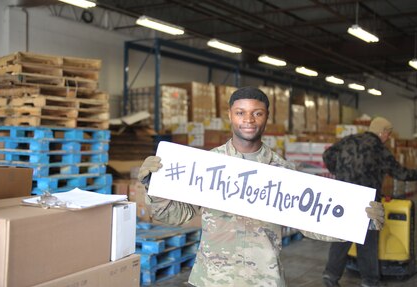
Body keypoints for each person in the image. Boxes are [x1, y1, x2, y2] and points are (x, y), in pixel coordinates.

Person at [138, 86, 384, 287]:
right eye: (240, 113)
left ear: (267, 116)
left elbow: (311, 224)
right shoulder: (207, 165)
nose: (248, 120)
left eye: (257, 113)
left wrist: (358, 221)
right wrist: (155, 188)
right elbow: (177, 215)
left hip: (264, 280)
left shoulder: (283, 172)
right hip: (211, 279)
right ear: (230, 115)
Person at [322, 116, 417, 287]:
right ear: (382, 132)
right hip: (368, 201)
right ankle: (370, 281)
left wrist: (338, 172)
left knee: (342, 238)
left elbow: (328, 155)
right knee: (368, 241)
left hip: (344, 196)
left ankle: (330, 275)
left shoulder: (348, 140)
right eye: (388, 134)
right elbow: (400, 174)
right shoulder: (379, 149)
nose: (388, 137)